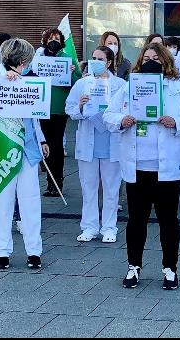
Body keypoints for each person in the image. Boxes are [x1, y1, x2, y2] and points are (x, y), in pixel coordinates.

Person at [105, 42, 180, 291]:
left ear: (165, 62)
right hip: (137, 165)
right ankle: (134, 266)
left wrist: (176, 122)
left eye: (156, 59)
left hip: (168, 166)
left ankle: (170, 268)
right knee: (136, 219)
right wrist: (121, 120)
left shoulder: (178, 89)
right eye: (146, 58)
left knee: (168, 219)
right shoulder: (128, 88)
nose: (151, 62)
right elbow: (108, 115)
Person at [0, 38, 49, 270]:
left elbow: (34, 115)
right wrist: (0, 78)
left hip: (26, 149)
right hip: (1, 145)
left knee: (31, 201)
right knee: (2, 201)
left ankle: (34, 251)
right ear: (21, 60)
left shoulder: (29, 81)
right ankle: (2, 251)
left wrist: (42, 139)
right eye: (27, 60)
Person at [66, 45, 124, 243]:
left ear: (109, 62)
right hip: (88, 143)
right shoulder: (83, 84)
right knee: (88, 188)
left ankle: (109, 228)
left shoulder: (120, 85)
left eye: (100, 59)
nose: (95, 62)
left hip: (111, 142)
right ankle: (89, 227)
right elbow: (70, 109)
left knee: (111, 189)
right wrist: (81, 107)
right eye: (93, 58)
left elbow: (126, 111)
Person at [35, 27, 73, 198]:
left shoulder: (66, 58)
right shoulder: (39, 58)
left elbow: (76, 82)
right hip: (42, 108)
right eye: (50, 38)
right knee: (45, 144)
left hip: (58, 109)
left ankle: (57, 182)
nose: (54, 41)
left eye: (57, 38)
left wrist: (71, 73)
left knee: (56, 145)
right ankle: (49, 181)